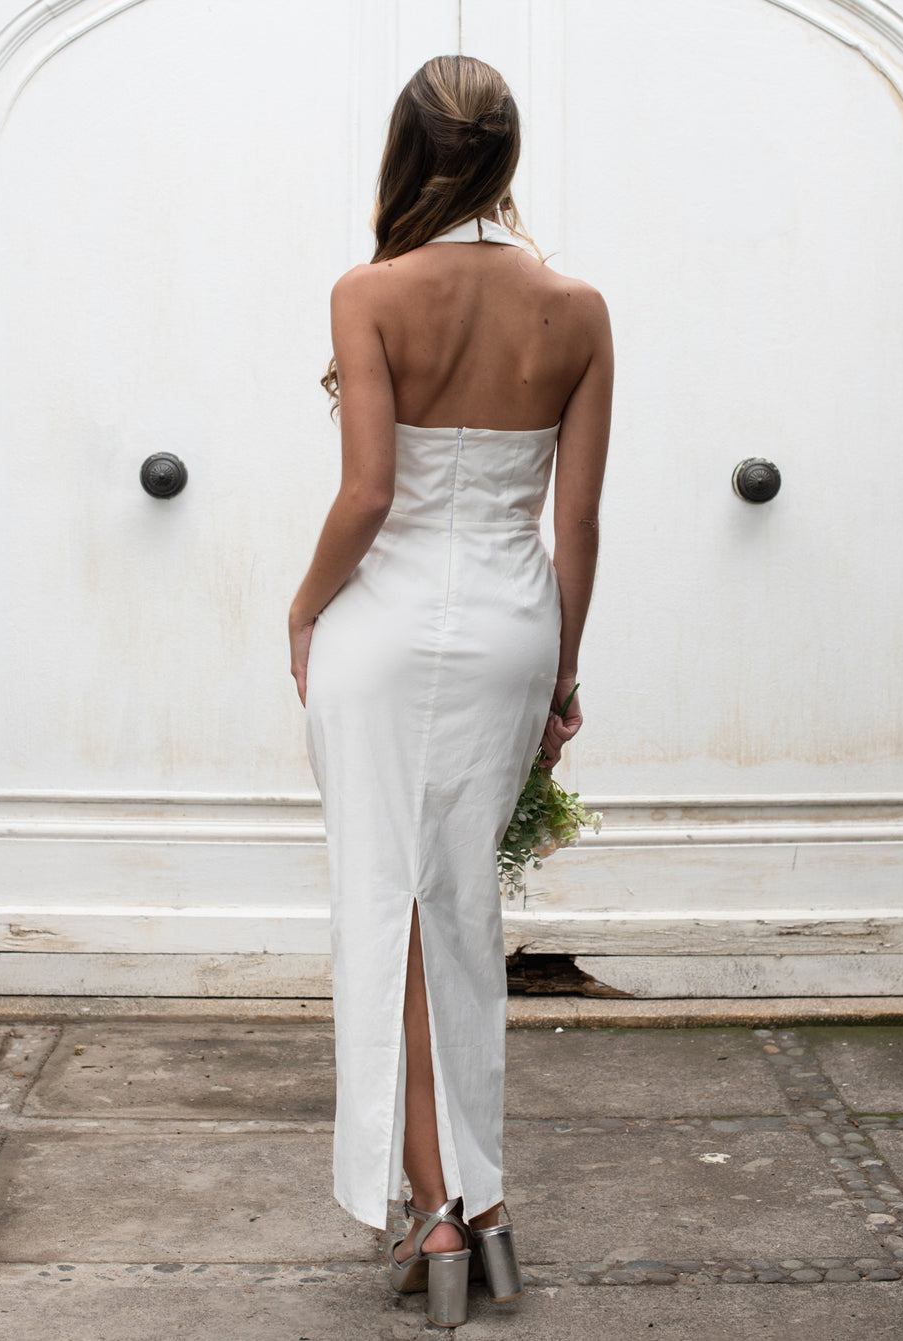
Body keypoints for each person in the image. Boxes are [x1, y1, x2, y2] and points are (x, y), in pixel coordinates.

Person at [288, 54, 612, 1328]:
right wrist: (562, 676)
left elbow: (369, 494)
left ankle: (438, 1210)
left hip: (382, 632)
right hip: (511, 631)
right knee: (457, 912)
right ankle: (482, 1204)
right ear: (508, 159)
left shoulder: (369, 293)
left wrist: (304, 605)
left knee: (394, 910)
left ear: (405, 153)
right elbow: (574, 522)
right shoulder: (579, 309)